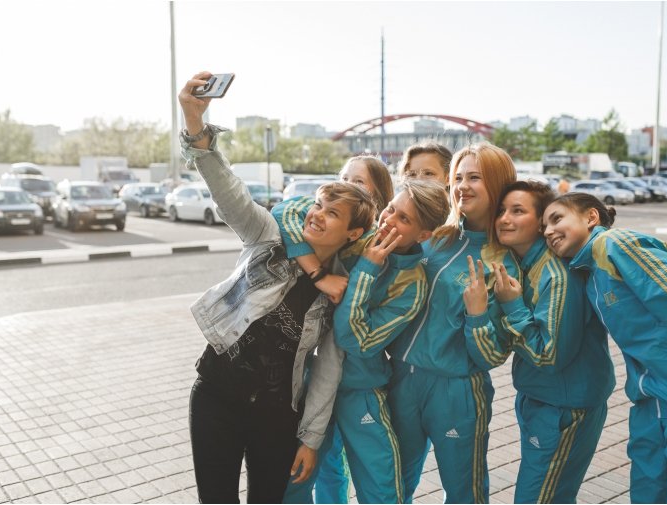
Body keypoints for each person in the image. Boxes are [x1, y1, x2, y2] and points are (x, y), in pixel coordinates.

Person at [179, 71, 377, 504]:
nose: (317, 214)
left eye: (333, 214)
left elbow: (328, 366)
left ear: (353, 234)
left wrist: (310, 438)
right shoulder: (269, 235)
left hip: (275, 414)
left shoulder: (341, 289)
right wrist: (195, 124)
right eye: (319, 205)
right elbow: (229, 192)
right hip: (216, 393)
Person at [543, 192, 667, 504]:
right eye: (543, 226)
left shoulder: (616, 245)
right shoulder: (588, 270)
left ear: (591, 217)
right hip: (649, 410)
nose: (547, 231)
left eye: (557, 218)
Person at [278, 180, 450, 504]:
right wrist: (319, 274)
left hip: (361, 390)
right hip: (312, 382)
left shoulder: (412, 286)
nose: (388, 220)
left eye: (403, 219)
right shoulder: (357, 235)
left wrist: (367, 269)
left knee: (382, 490)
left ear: (423, 235)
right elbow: (284, 212)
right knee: (293, 480)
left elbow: (354, 340)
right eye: (391, 209)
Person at [387, 142, 520, 503]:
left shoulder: (506, 259)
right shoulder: (434, 235)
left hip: (456, 390)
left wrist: (477, 315)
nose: (462, 186)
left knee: (464, 494)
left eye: (475, 178)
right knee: (391, 488)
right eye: (458, 177)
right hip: (400, 379)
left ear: (498, 183)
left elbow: (494, 355)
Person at [478, 181, 615, 503]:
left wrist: (512, 305)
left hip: (563, 406)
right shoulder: (529, 264)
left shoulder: (555, 275)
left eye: (517, 211)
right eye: (501, 211)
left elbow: (549, 356)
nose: (504, 219)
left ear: (540, 223)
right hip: (543, 399)